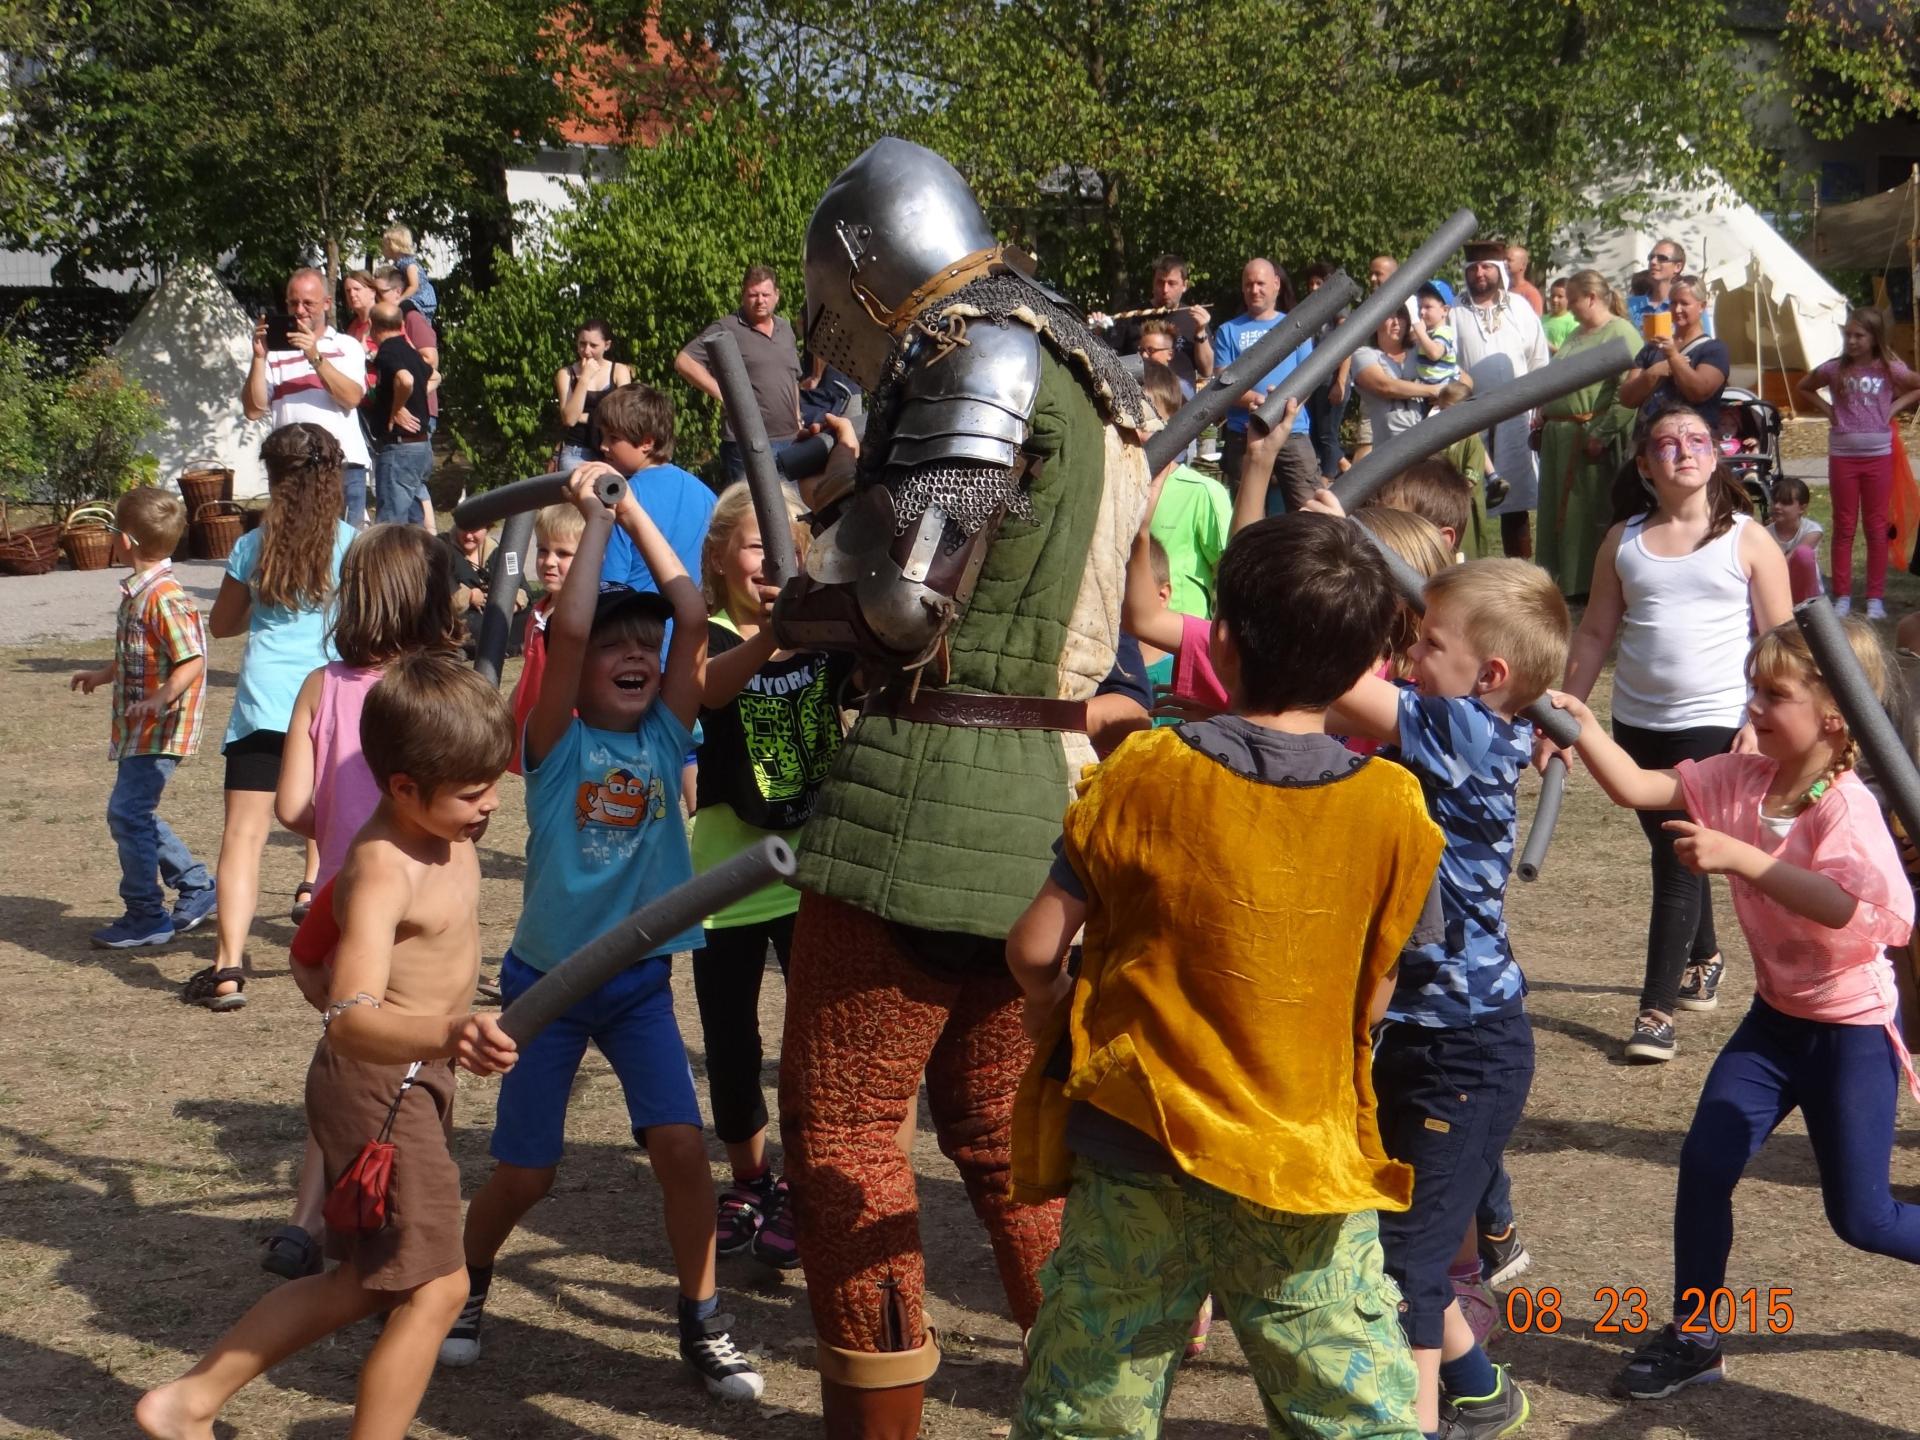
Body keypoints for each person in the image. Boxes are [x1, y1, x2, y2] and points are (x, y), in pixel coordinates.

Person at [774, 137, 1161, 1434]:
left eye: (834, 301)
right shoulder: (1090, 368)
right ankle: (1089, 1410)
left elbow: (905, 598)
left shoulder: (976, 347)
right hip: (1046, 799)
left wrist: (801, 609)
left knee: (840, 1134)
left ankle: (877, 1424)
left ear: (873, 266)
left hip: (929, 787)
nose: (834, 332)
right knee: (1006, 1139)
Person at [1005, 512, 1443, 1440]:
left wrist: (1054, 1011)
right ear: (1369, 664)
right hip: (1304, 1156)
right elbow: (1375, 993)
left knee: (1088, 1410)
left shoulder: (1145, 773)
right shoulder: (1395, 808)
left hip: (1137, 1148)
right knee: (1350, 1411)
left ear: (1225, 642)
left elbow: (1037, 948)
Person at [134, 655, 518, 1440]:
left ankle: (187, 1403)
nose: (491, 805)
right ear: (404, 788)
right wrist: (448, 1029)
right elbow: (348, 1016)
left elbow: (312, 955)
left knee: (367, 1285)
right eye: (473, 792)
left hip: (413, 1084)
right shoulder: (382, 867)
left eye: (494, 783)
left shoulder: (440, 832)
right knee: (437, 1291)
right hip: (380, 1090)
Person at [440, 477, 765, 1401]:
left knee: (680, 1152)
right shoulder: (554, 748)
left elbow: (691, 614)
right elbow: (570, 629)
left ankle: (701, 1318)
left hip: (637, 989)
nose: (630, 652)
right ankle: (466, 1280)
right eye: (612, 645)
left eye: (643, 645)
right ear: (573, 675)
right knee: (525, 1174)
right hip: (544, 984)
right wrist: (589, 522)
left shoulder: (668, 738)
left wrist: (633, 518)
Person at [1548, 621, 1920, 1404]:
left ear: (1833, 715)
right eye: (1752, 688)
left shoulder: (1845, 807)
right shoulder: (1745, 777)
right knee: (1705, 1165)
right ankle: (1696, 1335)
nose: (1753, 707)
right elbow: (1643, 788)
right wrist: (1581, 726)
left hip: (1849, 1032)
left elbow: (1866, 912)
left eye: (1773, 695)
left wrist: (1744, 858)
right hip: (1775, 1023)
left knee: (1865, 1220)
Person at [1324, 554, 1572, 1438]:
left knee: (1410, 1264)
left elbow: (1335, 683)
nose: (1408, 658)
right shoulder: (1466, 722)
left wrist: (1327, 576)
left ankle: (1417, 1426)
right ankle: (1479, 1390)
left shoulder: (1463, 732)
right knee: (1396, 1242)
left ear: (1491, 676)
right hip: (1421, 1033)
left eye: (1427, 644)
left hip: (1467, 1047)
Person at [1552, 404, 1792, 1060]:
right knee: (1675, 847)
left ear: (1717, 456)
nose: (1683, 451)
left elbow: (1779, 641)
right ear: (1644, 464)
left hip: (1713, 723)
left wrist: (1756, 720)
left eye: (1696, 441)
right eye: (1666, 443)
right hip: (1636, 724)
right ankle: (1706, 954)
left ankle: (1656, 1011)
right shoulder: (1623, 541)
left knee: (1674, 858)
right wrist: (1567, 707)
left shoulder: (1747, 539)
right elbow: (1598, 630)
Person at [261, 525, 465, 1281]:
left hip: (337, 900)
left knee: (346, 1045)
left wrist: (335, 827)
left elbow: (289, 806)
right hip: (406, 903)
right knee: (376, 1054)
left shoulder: (322, 685)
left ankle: (307, 1220)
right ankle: (341, 1214)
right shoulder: (428, 696)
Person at [693, 483, 845, 1272]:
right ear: (721, 555)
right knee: (730, 1041)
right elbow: (704, 688)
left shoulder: (826, 634)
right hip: (724, 881)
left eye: (787, 546)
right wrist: (771, 638)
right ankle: (750, 1180)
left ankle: (808, 1180)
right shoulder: (706, 631)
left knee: (814, 1044)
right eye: (756, 545)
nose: (770, 562)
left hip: (812, 873)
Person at [195, 424, 360, 1013]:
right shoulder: (351, 543)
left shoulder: (251, 546)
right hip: (331, 705)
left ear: (272, 478)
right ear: (331, 476)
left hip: (265, 703)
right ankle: (343, 950)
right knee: (340, 827)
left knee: (242, 838)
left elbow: (222, 625)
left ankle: (227, 969)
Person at [69, 487, 215, 949]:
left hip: (160, 726)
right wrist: (103, 674)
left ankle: (146, 914)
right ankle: (196, 886)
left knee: (126, 813)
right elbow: (142, 653)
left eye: (112, 531)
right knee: (134, 813)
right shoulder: (139, 595)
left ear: (125, 540)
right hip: (140, 725)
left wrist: (161, 698)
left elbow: (191, 659)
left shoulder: (164, 597)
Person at [1795, 307, 1920, 619]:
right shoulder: (1835, 369)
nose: (1851, 341)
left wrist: (1894, 408)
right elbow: (1803, 386)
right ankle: (1843, 595)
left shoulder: (1889, 368)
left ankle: (1875, 597)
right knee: (1845, 526)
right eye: (1847, 334)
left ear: (1874, 338)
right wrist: (1827, 409)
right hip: (1843, 456)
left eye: (1859, 335)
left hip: (1878, 455)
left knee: (1876, 527)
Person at [1533, 269, 1640, 598]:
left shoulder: (1620, 333)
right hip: (1559, 437)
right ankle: (1558, 578)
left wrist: (1602, 433)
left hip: (1587, 438)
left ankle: (1585, 584)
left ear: (1591, 298)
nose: (1567, 305)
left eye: (1572, 299)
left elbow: (1630, 392)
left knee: (1584, 513)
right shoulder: (1576, 333)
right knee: (1555, 513)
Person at [243, 268, 370, 526]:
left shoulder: (346, 346)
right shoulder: (274, 353)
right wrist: (259, 358)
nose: (299, 310)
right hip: (290, 466)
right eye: (293, 303)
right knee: (294, 551)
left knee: (346, 555)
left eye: (308, 303)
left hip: (341, 467)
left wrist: (314, 356)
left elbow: (351, 398)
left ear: (326, 304)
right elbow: (254, 409)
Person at [1452, 241, 1550, 560]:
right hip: (1469, 419)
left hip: (1516, 418)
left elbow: (1539, 360)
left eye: (1487, 266)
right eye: (1474, 268)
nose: (1480, 273)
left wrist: (1539, 409)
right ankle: (1466, 574)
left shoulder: (1520, 309)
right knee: (1462, 502)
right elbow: (1447, 364)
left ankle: (1519, 574)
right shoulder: (1454, 313)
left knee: (1516, 506)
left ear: (1499, 270)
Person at [676, 265, 804, 483]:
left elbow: (792, 376)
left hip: (790, 439)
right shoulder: (727, 328)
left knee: (794, 512)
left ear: (777, 296)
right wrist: (725, 394)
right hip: (747, 443)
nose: (760, 300)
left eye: (765, 294)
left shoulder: (785, 329)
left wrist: (798, 417)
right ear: (743, 296)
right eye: (753, 295)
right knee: (750, 513)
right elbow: (685, 361)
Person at [589, 383, 718, 597]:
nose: (603, 446)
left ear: (647, 442)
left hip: (638, 623)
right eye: (603, 436)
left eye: (613, 438)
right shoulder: (704, 493)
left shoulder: (623, 499)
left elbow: (610, 584)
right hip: (694, 620)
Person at [1212, 258, 1320, 510]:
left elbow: (1309, 377)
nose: (1254, 290)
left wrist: (1282, 407)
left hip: (1293, 431)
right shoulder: (1228, 330)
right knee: (1247, 512)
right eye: (1248, 284)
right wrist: (1259, 403)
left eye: (1261, 283)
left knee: (1310, 509)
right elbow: (1223, 385)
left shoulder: (1296, 325)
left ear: (1276, 285)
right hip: (1245, 434)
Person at [1139, 360, 1231, 617]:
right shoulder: (1105, 488)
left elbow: (1234, 574)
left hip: (1178, 642)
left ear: (1172, 424)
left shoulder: (1202, 492)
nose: (1140, 432)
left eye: (1149, 420)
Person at [506, 502, 583, 776]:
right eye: (543, 549)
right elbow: (529, 672)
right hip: (533, 732)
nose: (549, 561)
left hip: (567, 738)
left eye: (563, 553)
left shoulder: (582, 617)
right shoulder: (539, 610)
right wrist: (506, 712)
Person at [1618, 274, 1729, 434]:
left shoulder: (1714, 349)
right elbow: (1627, 398)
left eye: (1684, 303)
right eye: (1673, 303)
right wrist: (1654, 372)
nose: (1677, 309)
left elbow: (1699, 392)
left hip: (1692, 443)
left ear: (1702, 306)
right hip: (1650, 440)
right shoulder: (1653, 347)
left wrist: (1672, 355)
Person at [1093, 252, 1214, 386]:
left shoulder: (1193, 319)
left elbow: (1207, 371)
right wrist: (1097, 333)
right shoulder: (1131, 316)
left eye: (1171, 283)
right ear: (1153, 282)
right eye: (1160, 282)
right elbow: (1109, 360)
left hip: (1182, 401)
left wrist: (1201, 332)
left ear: (1184, 285)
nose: (1164, 289)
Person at [367, 305, 435, 529]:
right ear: (401, 325)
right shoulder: (411, 352)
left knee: (391, 525)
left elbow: (405, 380)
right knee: (414, 520)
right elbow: (436, 376)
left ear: (372, 327)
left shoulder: (388, 351)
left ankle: (392, 564)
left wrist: (397, 408)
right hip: (421, 448)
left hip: (400, 450)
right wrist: (413, 399)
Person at [1350, 309, 1443, 461]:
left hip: (1428, 448)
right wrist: (1433, 391)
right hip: (1388, 454)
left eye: (1400, 316)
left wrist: (1445, 393)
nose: (1396, 323)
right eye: (1389, 316)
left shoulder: (1420, 350)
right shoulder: (1363, 354)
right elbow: (1385, 387)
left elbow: (1464, 380)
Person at [554, 319, 632, 473]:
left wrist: (586, 417)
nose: (586, 351)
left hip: (611, 451)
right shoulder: (566, 374)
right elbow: (569, 419)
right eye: (582, 344)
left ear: (607, 345)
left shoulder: (619, 371)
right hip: (577, 451)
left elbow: (624, 415)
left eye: (593, 345)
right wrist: (585, 378)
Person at [1300, 261, 1353, 479]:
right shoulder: (1312, 311)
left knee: (1327, 435)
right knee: (1317, 434)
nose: (1313, 288)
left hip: (1332, 381)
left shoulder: (1337, 307)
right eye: (1310, 283)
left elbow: (1347, 343)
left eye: (1318, 283)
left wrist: (1339, 382)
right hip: (1316, 383)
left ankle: (1335, 477)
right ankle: (1339, 473)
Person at [1768, 476, 1826, 602]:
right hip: (1777, 591)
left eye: (1785, 503)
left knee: (1803, 554)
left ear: (1802, 508)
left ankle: (1811, 609)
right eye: (1775, 501)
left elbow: (1790, 559)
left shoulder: (1812, 531)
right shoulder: (1765, 533)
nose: (1777, 506)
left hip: (1806, 593)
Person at [380, 223, 437, 321]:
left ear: (394, 246)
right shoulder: (398, 264)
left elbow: (414, 286)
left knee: (401, 308)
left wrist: (400, 299)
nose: (383, 249)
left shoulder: (409, 265)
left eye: (385, 246)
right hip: (412, 297)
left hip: (420, 299)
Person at [1628, 238, 1687, 331]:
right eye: (1651, 257)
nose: (1653, 262)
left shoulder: (1689, 307)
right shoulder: (1631, 305)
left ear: (1677, 267)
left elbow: (1702, 344)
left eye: (1662, 258)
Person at [1411, 279, 1460, 386]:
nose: (1422, 312)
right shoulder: (1429, 333)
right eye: (1420, 307)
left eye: (1428, 307)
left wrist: (1420, 333)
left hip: (1445, 386)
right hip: (1430, 385)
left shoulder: (1444, 332)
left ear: (1445, 310)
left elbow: (1435, 353)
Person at [1505, 244, 1544, 315]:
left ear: (1522, 265)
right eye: (1504, 259)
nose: (1505, 263)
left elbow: (1535, 322)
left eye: (1509, 260)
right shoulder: (1503, 288)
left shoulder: (1531, 293)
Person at [1542, 278, 1577, 352]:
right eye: (1552, 296)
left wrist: (1550, 347)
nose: (1555, 300)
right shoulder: (1542, 319)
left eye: (1560, 296)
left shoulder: (1572, 323)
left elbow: (1571, 353)